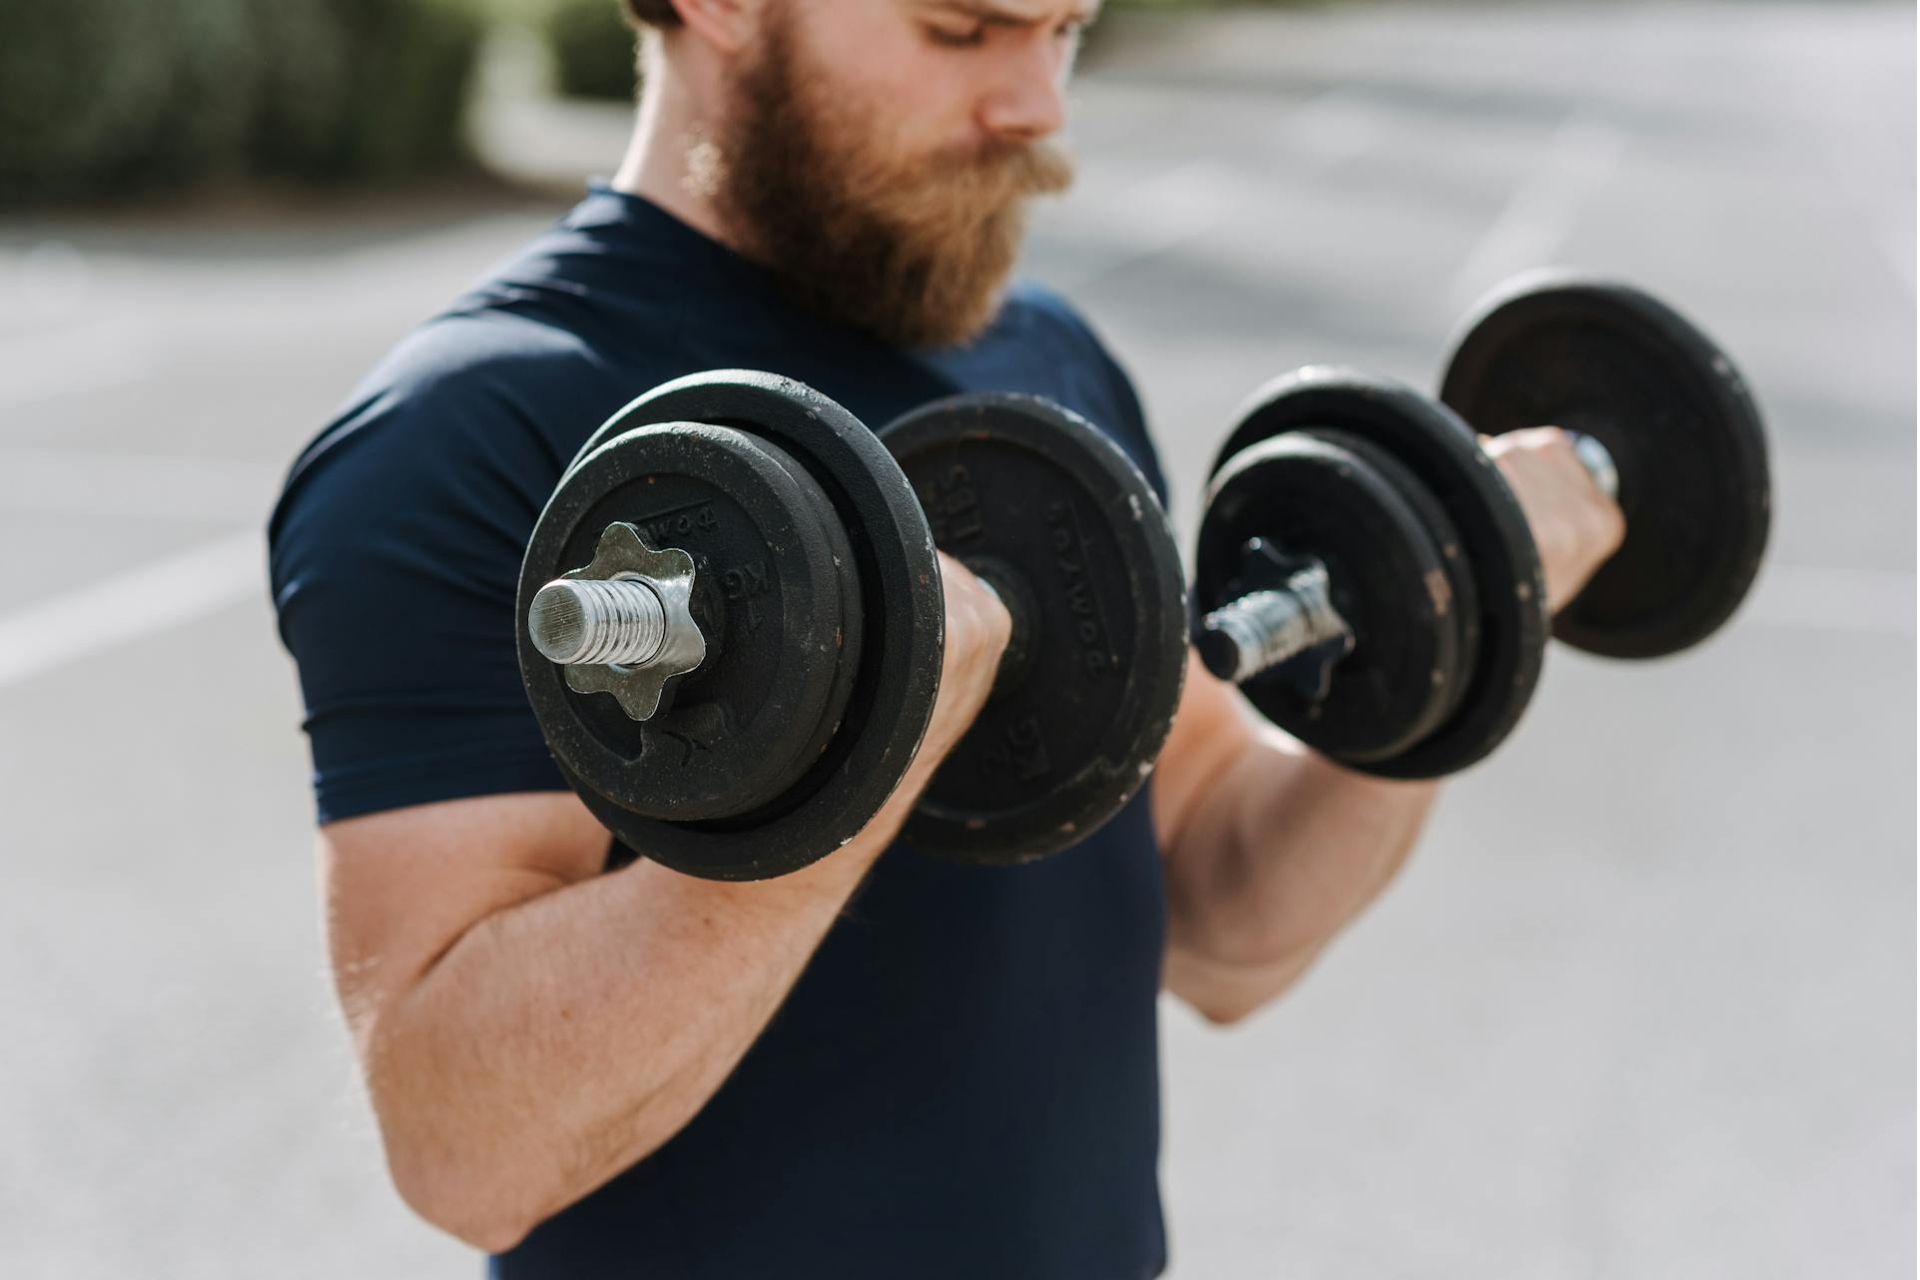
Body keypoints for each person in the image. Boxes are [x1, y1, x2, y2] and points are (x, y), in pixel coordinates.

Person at [267, 0, 1625, 1274]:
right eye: (963, 27)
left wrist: (1450, 639)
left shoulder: (1048, 368)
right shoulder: (469, 434)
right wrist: (856, 765)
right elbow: (466, 1146)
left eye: (1063, 32)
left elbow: (1219, 918)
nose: (1038, 106)